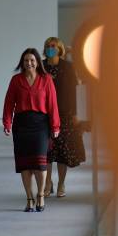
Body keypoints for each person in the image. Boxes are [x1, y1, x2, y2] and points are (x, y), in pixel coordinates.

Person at [3, 48, 60, 212]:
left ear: (37, 62)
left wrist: (55, 126)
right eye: (26, 60)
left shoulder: (46, 79)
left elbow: (52, 105)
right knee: (25, 164)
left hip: (40, 125)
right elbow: (9, 104)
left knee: (40, 163)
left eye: (32, 60)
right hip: (21, 125)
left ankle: (40, 194)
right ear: (22, 62)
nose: (29, 63)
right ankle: (29, 197)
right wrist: (7, 123)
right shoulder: (16, 80)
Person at [42, 37, 85, 198]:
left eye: (53, 46)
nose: (50, 48)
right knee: (46, 151)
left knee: (61, 152)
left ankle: (61, 183)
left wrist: (75, 113)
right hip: (45, 113)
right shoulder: (42, 66)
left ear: (60, 49)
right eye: (48, 46)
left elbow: (74, 91)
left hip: (64, 114)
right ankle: (47, 183)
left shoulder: (67, 67)